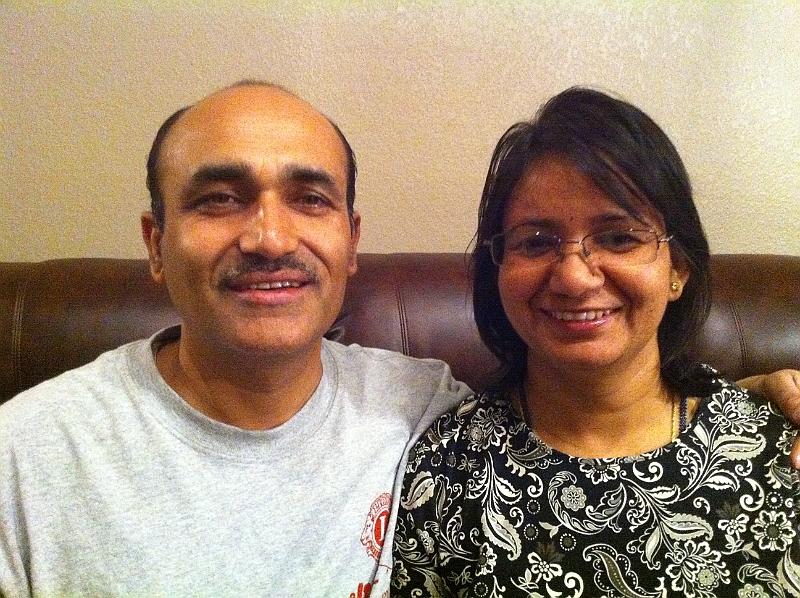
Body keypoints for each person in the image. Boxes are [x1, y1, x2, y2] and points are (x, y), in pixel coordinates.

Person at [0, 81, 796, 598]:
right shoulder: (24, 455)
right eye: (219, 199)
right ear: (155, 243)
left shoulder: (410, 407)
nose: (269, 237)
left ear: (351, 242)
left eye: (309, 198)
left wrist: (754, 408)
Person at [392, 87, 800, 597]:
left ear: (678, 268)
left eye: (619, 237)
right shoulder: (443, 471)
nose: (574, 277)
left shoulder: (779, 446)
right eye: (535, 242)